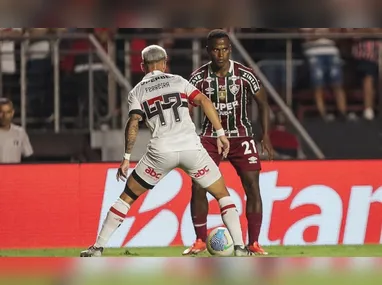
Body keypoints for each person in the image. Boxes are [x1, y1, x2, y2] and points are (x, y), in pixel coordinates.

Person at [80, 44, 254, 257]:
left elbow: (133, 122)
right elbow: (204, 100)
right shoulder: (179, 81)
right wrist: (220, 133)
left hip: (160, 152)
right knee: (223, 196)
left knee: (127, 197)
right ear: (164, 63)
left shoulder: (137, 91)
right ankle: (239, 247)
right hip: (191, 149)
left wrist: (126, 157)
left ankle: (98, 247)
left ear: (143, 66)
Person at [182, 29, 273, 256]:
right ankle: (200, 240)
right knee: (199, 185)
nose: (220, 54)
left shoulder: (245, 75)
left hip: (241, 136)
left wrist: (266, 135)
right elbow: (183, 106)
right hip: (209, 138)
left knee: (252, 186)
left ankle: (253, 242)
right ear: (208, 51)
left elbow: (263, 102)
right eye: (215, 49)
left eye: (224, 49)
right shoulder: (198, 78)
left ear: (229, 49)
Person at [0, 98, 34, 163]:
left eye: (8, 112)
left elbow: (29, 157)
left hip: (15, 172)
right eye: (1, 112)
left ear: (12, 113)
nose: (4, 116)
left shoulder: (20, 132)